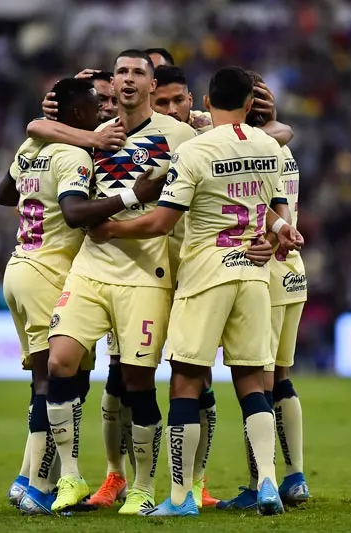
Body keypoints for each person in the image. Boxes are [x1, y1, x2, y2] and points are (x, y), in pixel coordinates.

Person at [88, 66, 303, 517]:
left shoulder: (196, 150)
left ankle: (182, 496)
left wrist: (112, 228)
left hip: (206, 273)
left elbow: (162, 222)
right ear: (248, 104)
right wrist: (282, 228)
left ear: (205, 101)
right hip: (253, 276)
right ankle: (266, 480)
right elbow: (274, 207)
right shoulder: (270, 147)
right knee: (251, 380)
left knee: (186, 379)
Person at [0, 77, 165, 515]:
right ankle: (36, 484)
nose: (103, 113)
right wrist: (131, 193)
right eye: (96, 105)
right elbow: (73, 213)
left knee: (53, 380)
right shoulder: (75, 153)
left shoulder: (33, 145)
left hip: (20, 265)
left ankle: (34, 478)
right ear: (77, 115)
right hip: (51, 271)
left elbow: (3, 194)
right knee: (54, 381)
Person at [41, 49, 197, 515]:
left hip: (146, 273)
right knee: (61, 361)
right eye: (121, 72)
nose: (128, 79)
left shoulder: (180, 135)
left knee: (138, 383)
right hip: (91, 266)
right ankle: (70, 477)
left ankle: (142, 486)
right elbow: (38, 130)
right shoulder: (93, 134)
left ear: (153, 85)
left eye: (137, 73)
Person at [217, 71, 310, 511]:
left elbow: (268, 213)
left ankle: (264, 483)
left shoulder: (248, 151)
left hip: (265, 269)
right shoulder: (282, 149)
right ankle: (295, 477)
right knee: (282, 376)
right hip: (292, 270)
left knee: (260, 381)